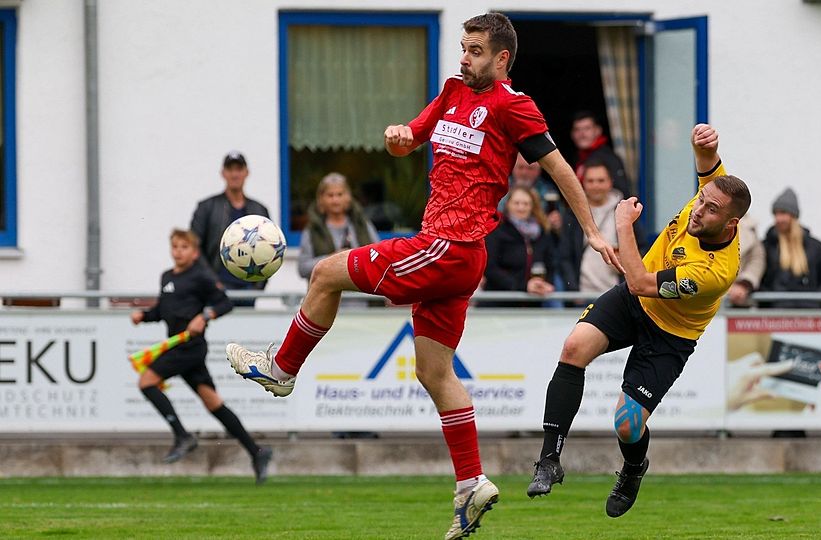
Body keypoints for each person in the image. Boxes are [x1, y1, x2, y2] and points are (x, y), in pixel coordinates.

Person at [225, 13, 620, 540]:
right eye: (463, 47)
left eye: (476, 50)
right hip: (452, 256)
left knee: (324, 272)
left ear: (502, 58)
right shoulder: (453, 91)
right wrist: (397, 137)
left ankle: (282, 367)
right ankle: (471, 483)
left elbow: (558, 167)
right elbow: (410, 139)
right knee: (434, 373)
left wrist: (592, 230)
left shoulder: (512, 105)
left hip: (449, 246)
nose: (464, 57)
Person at [527, 124, 750, 519]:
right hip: (633, 305)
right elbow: (707, 165)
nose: (699, 210)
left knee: (627, 425)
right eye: (701, 200)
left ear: (730, 225)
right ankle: (549, 460)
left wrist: (623, 225)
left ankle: (633, 468)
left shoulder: (715, 271)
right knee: (574, 347)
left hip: (670, 335)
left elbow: (640, 281)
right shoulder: (713, 195)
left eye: (711, 210)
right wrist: (704, 143)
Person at [131, 229, 272, 483]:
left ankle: (182, 436)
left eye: (184, 247)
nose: (178, 252)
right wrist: (144, 316)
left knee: (146, 382)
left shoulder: (201, 276)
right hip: (176, 345)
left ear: (194, 252)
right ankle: (257, 451)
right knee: (213, 402)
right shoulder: (166, 277)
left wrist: (205, 316)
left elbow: (224, 303)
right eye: (175, 247)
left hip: (190, 347)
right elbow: (164, 310)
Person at [190, 152, 271, 307]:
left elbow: (270, 248)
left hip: (249, 288)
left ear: (246, 173)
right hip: (216, 290)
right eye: (230, 169)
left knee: (247, 332)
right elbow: (194, 248)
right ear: (223, 173)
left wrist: (258, 286)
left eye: (239, 169)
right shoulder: (207, 207)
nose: (234, 174)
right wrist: (212, 283)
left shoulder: (260, 210)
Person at [558, 159, 645, 294]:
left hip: (618, 294)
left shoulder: (625, 211)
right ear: (582, 184)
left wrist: (628, 263)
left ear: (610, 182)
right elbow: (564, 256)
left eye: (601, 180)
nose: (596, 185)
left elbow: (642, 248)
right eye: (590, 181)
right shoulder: (572, 214)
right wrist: (573, 291)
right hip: (582, 294)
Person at [758, 188, 821, 309]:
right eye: (775, 213)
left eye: (783, 213)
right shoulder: (765, 246)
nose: (778, 219)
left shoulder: (815, 246)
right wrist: (769, 304)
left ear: (793, 216)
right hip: (774, 317)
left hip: (809, 316)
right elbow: (759, 279)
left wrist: (816, 304)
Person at [298, 172, 380, 280]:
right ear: (321, 199)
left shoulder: (362, 224)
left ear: (348, 197)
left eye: (340, 194)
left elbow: (378, 257)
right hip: (326, 294)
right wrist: (331, 259)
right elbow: (303, 268)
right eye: (330, 195)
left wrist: (356, 259)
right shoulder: (313, 229)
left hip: (362, 294)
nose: (335, 200)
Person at [483, 187, 555, 306]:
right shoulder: (497, 230)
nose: (521, 207)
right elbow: (490, 268)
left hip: (534, 303)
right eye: (516, 203)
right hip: (499, 303)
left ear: (533, 206)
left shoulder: (542, 233)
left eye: (526, 203)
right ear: (508, 205)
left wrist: (546, 283)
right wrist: (523, 286)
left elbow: (551, 264)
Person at [571, 111, 633, 197]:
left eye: (587, 128)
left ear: (598, 130)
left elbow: (622, 193)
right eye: (577, 129)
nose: (582, 134)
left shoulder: (609, 158)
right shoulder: (577, 157)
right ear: (572, 134)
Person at [726, 213, 765, 307]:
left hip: (739, 297)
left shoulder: (749, 227)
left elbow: (757, 260)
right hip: (707, 292)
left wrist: (743, 284)